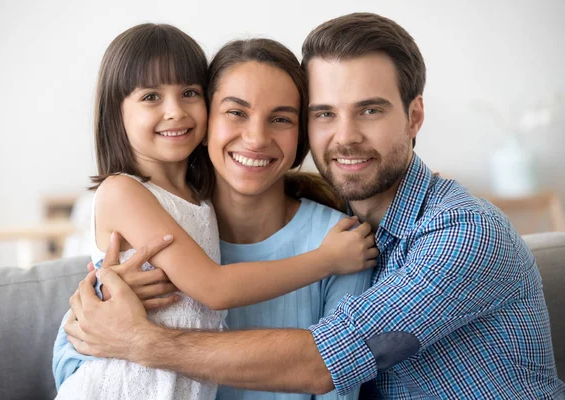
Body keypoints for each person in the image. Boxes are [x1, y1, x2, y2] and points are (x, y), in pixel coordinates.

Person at [64, 13, 565, 399]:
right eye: (325, 113)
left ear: (414, 116)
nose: (345, 137)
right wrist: (99, 303)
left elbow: (327, 362)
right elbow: (77, 359)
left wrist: (141, 343)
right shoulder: (177, 227)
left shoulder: (461, 233)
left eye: (370, 109)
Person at [52, 23, 377, 400]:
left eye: (281, 118)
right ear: (211, 121)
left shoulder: (341, 241)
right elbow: (76, 363)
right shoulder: (131, 197)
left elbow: (336, 375)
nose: (256, 138)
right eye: (236, 112)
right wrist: (100, 296)